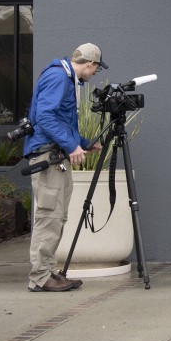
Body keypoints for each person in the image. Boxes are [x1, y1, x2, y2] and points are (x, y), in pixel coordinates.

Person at [24, 43, 105, 292]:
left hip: (55, 154)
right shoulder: (59, 77)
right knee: (49, 216)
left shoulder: (63, 76)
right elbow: (45, 117)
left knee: (56, 216)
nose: (93, 76)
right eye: (95, 70)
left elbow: (59, 119)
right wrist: (72, 146)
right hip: (48, 156)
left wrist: (82, 143)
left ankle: (48, 272)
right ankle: (40, 277)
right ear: (90, 64)